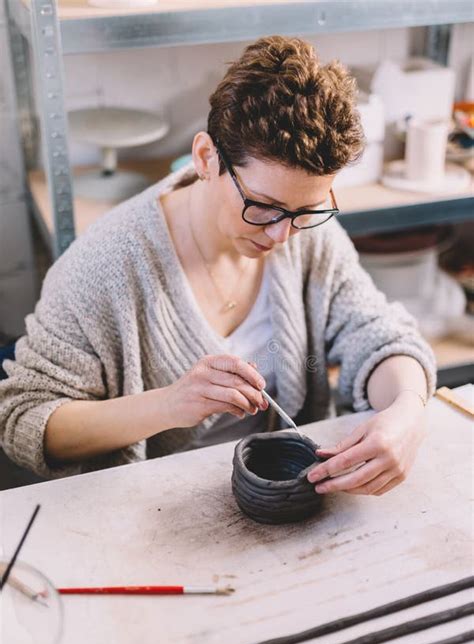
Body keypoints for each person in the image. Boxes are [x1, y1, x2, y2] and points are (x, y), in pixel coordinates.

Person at [0, 36, 435, 494]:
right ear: (207, 158)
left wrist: (407, 410)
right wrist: (169, 405)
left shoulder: (309, 235)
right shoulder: (101, 268)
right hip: (152, 514)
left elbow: (379, 333)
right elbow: (24, 419)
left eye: (306, 210)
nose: (281, 235)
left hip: (288, 500)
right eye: (263, 206)